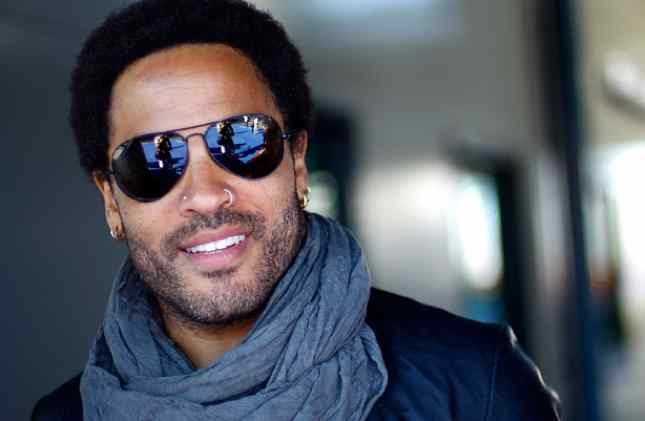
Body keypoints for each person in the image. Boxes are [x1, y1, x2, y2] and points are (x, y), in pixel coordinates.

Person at [31, 0, 560, 420]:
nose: (206, 194)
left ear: (298, 163)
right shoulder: (65, 416)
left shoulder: (474, 387)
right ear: (111, 199)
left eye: (242, 141)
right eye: (152, 159)